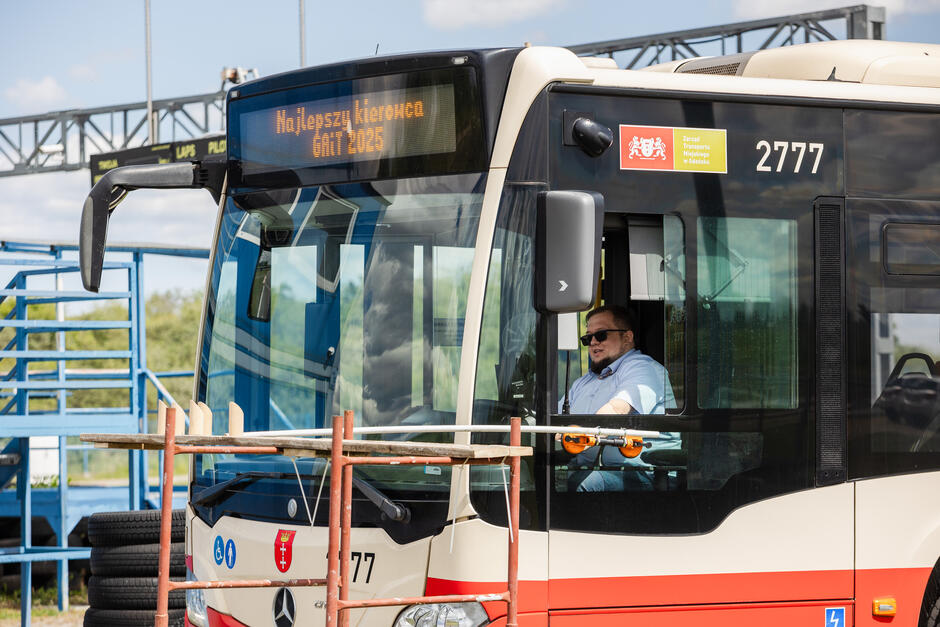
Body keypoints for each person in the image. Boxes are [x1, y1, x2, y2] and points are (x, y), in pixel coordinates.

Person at [559, 305, 676, 491]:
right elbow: (555, 419)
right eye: (588, 338)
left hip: (645, 473)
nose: (593, 342)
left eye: (601, 334)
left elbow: (616, 409)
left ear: (627, 337)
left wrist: (580, 434)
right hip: (596, 467)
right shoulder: (583, 382)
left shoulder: (642, 368)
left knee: (582, 483)